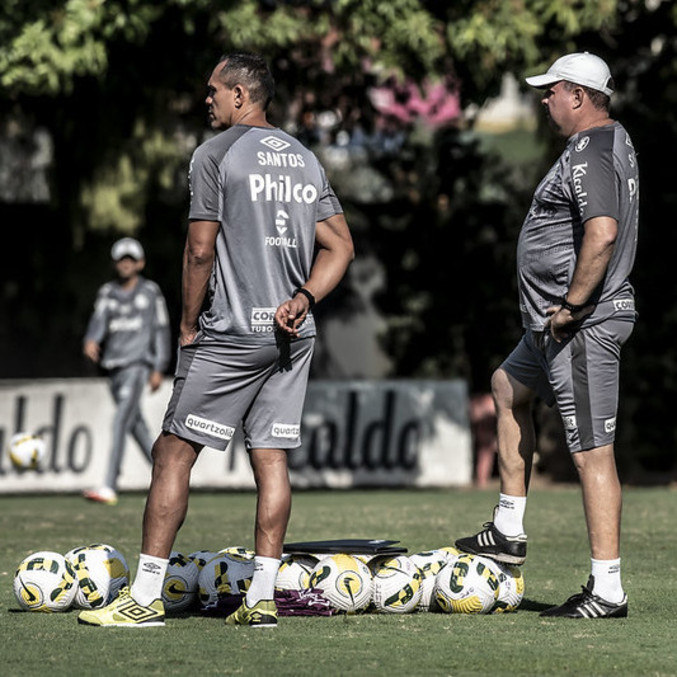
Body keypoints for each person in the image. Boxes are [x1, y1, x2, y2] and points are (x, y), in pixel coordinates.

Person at [78, 52, 354, 628]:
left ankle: (146, 595)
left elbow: (200, 249)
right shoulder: (304, 159)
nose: (207, 100)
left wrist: (186, 324)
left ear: (240, 95)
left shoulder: (216, 154)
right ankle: (260, 601)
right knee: (271, 460)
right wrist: (302, 299)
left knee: (172, 452)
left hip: (231, 331)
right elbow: (341, 247)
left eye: (213, 92)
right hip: (292, 332)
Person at [455, 53, 638, 619]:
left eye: (551, 91)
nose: (544, 100)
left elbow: (602, 234)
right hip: (550, 328)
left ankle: (607, 589)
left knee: (591, 454)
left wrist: (573, 304)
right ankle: (508, 529)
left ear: (578, 96)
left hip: (579, 323)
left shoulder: (592, 149)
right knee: (507, 387)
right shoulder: (608, 141)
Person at [82, 237, 171, 506]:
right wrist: (91, 339)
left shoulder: (150, 292)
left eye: (131, 259)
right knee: (137, 426)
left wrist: (159, 366)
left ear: (140, 263)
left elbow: (161, 329)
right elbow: (98, 321)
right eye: (122, 259)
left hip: (137, 366)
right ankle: (167, 476)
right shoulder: (107, 292)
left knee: (121, 420)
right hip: (113, 368)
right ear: (115, 263)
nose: (126, 264)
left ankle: (109, 484)